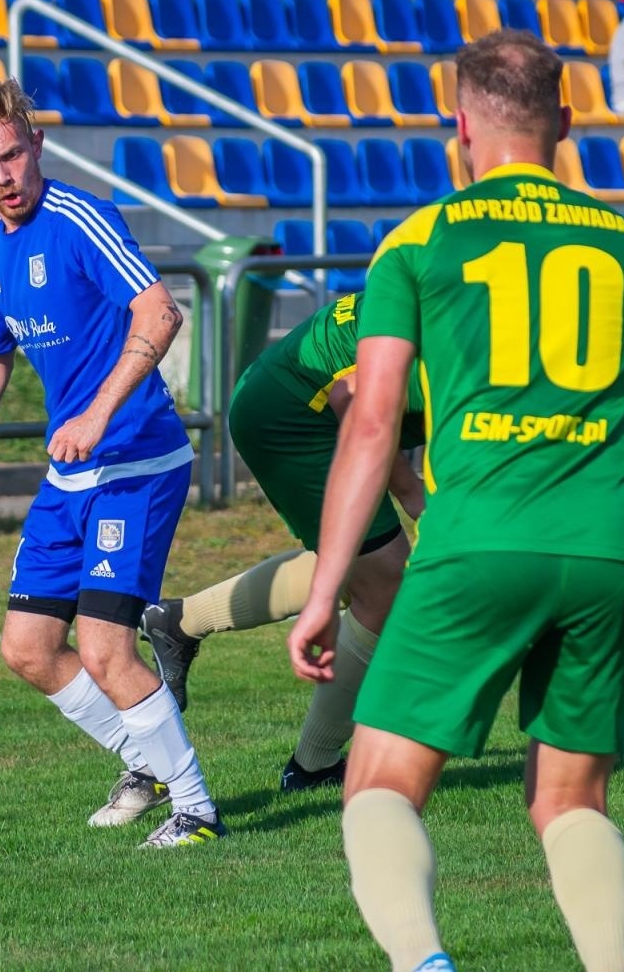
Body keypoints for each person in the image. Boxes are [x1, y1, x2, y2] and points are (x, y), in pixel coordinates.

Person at [287, 30, 624, 972]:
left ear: (461, 127)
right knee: (570, 802)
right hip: (607, 545)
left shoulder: (420, 240)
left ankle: (424, 962)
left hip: (476, 536)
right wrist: (593, 494)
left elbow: (372, 423)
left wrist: (322, 594)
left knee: (380, 784)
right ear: (567, 123)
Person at [0, 79, 225, 849]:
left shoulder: (80, 219)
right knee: (27, 648)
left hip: (136, 461)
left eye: (13, 154)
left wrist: (97, 413)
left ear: (37, 143)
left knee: (102, 648)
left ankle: (196, 810)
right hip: (72, 476)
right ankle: (147, 762)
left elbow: (160, 311)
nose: (5, 175)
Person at [140, 291, 426, 791]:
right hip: (295, 418)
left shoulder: (466, 295)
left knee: (360, 571)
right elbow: (356, 402)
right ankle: (314, 765)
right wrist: (414, 495)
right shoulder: (457, 314)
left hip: (297, 401)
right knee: (384, 588)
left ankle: (179, 621)